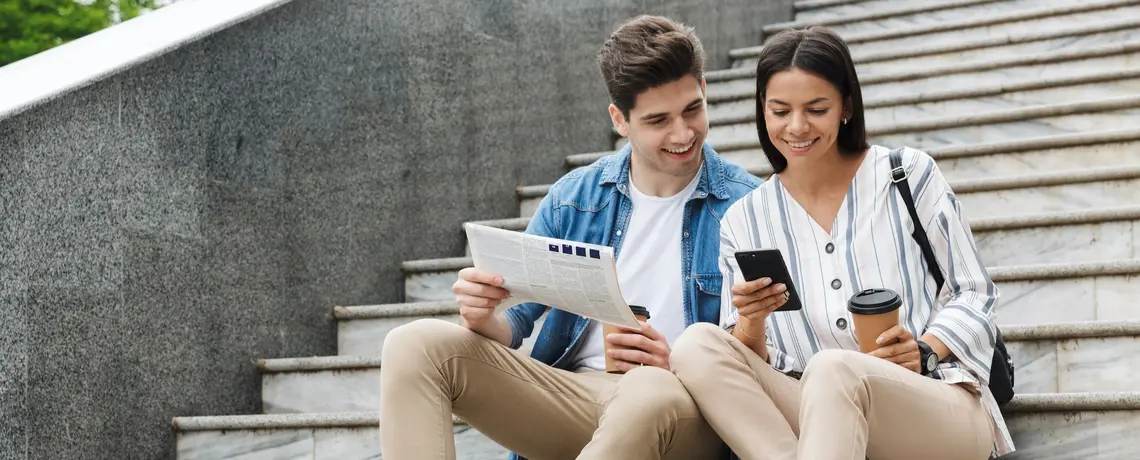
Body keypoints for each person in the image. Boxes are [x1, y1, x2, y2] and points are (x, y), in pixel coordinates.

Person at [379, 15, 761, 460]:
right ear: (620, 119)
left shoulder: (745, 205)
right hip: (577, 396)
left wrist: (678, 362)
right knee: (412, 345)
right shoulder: (575, 199)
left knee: (647, 390)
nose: (682, 133)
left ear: (705, 91)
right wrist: (483, 316)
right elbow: (514, 322)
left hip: (685, 408)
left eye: (692, 109)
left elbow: (771, 360)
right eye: (658, 120)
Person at [667, 26, 1015, 460]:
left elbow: (975, 293)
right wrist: (751, 322)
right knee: (696, 346)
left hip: (936, 404)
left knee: (832, 369)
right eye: (779, 111)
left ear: (846, 106)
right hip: (816, 417)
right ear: (762, 111)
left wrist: (925, 350)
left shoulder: (906, 175)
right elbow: (756, 361)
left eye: (816, 108)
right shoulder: (745, 219)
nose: (797, 127)